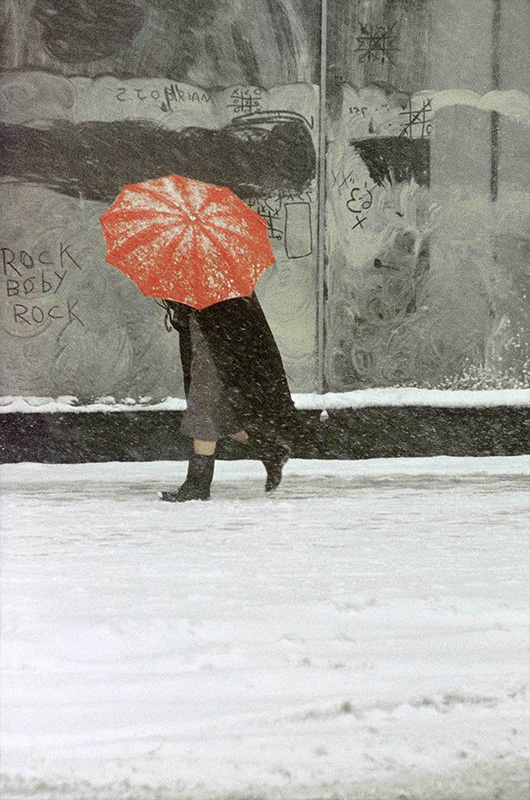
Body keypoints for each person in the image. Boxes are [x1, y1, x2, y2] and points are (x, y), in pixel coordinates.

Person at [158, 294, 298, 502]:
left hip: (215, 352)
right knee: (222, 417)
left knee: (202, 412)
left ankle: (198, 484)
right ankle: (271, 450)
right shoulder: (209, 280)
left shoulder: (219, 284)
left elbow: (228, 322)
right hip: (206, 349)